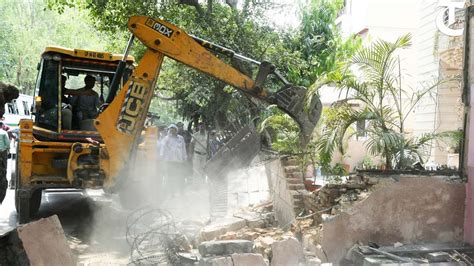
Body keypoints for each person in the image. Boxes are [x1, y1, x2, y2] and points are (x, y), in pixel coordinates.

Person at [160, 124, 187, 195]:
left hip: (179, 161)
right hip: (169, 161)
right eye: (170, 129)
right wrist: (162, 157)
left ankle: (181, 192)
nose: (172, 131)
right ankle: (171, 193)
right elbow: (162, 149)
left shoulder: (181, 138)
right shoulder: (166, 139)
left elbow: (183, 148)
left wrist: (185, 158)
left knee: (180, 177)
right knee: (170, 177)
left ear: (176, 130)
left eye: (173, 129)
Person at [0, 122, 11, 204]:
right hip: (2, 152)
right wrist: (8, 149)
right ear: (2, 126)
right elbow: (7, 143)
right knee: (3, 168)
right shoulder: (4, 133)